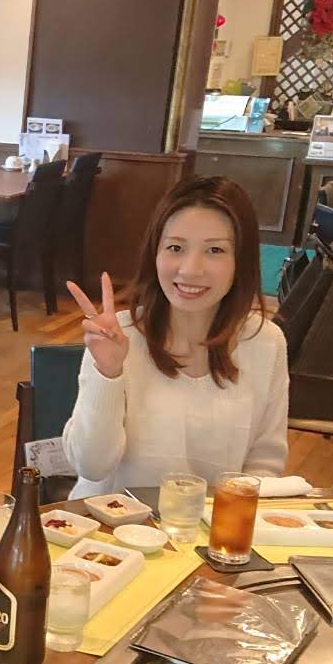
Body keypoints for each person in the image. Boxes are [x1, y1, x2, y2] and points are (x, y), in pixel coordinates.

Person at [61, 176, 289, 498]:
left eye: (215, 250)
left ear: (242, 260)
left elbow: (264, 466)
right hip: (111, 523)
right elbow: (92, 467)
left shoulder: (265, 343)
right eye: (176, 248)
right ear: (155, 253)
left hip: (210, 524)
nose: (190, 269)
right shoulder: (119, 336)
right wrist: (108, 373)